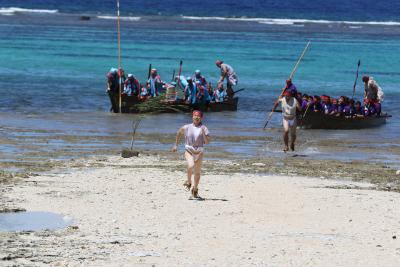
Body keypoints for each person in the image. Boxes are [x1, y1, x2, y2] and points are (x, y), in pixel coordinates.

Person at [172, 110, 210, 199]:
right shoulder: (186, 127)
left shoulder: (204, 128)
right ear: (192, 117)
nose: (196, 117)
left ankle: (195, 190)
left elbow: (207, 142)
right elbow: (178, 133)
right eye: (195, 116)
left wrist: (203, 133)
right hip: (189, 150)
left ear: (201, 118)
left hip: (199, 152)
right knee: (191, 165)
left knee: (197, 173)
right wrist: (175, 145)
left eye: (198, 116)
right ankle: (189, 182)